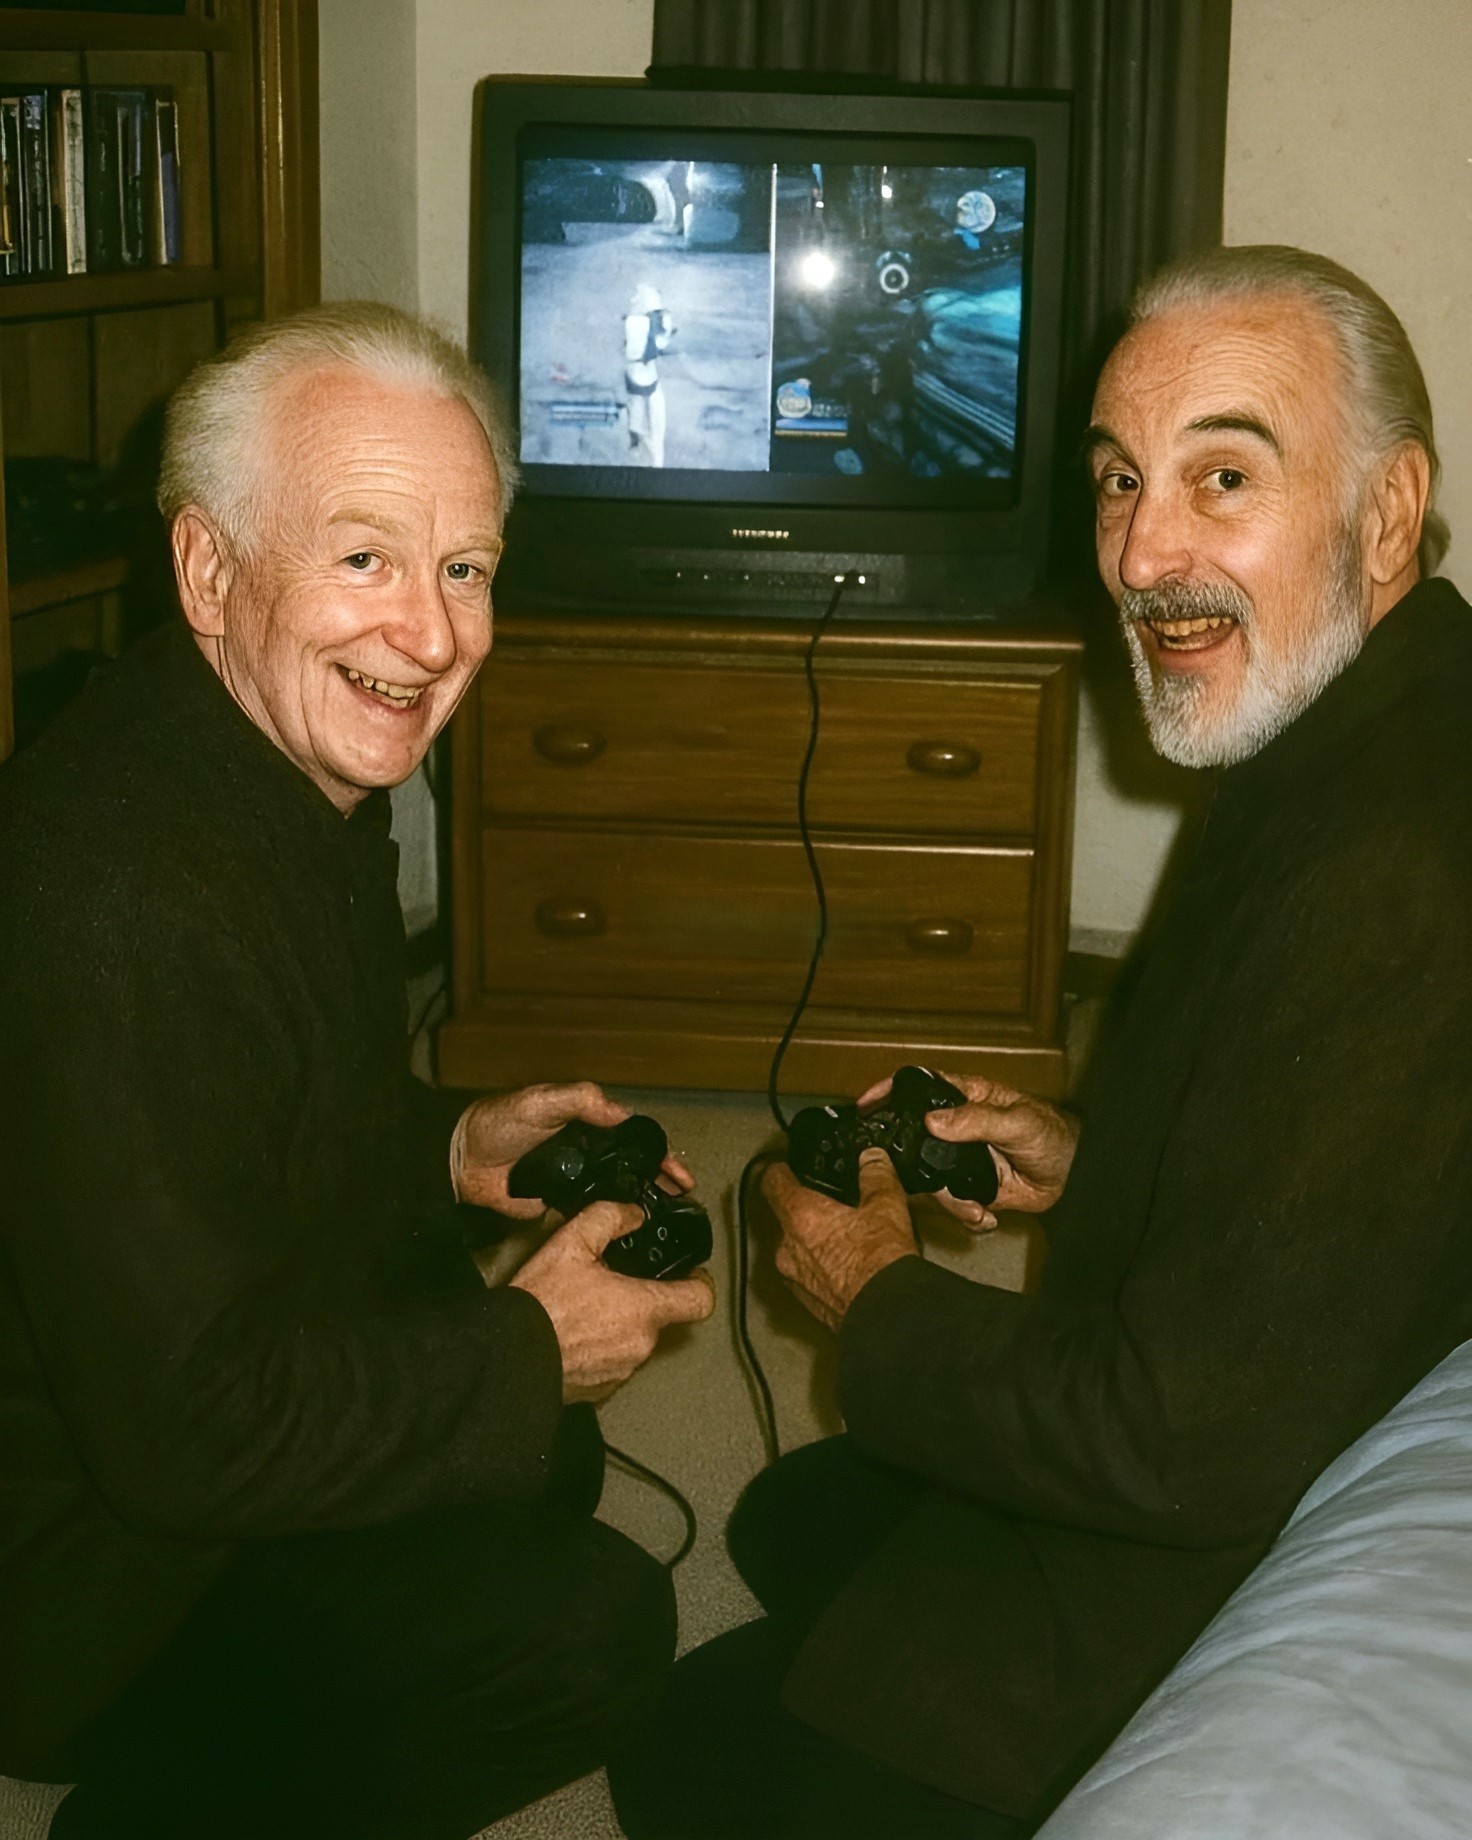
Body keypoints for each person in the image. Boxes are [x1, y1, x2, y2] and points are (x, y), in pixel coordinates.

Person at [608, 245, 1472, 1839]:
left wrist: (875, 1295)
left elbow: (1187, 1444)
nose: (1143, 553)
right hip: (1309, 1365)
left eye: (1223, 477)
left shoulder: (1393, 876)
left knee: (690, 1746)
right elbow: (1341, 1158)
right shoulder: (1367, 720)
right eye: (1119, 480)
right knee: (801, 1518)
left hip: (1223, 1528)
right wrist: (1094, 1159)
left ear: (1390, 510)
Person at [0, 302, 715, 1840]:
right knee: (587, 1627)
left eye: (465, 569)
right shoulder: (119, 903)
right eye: (366, 559)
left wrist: (447, 1146)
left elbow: (243, 1117)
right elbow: (189, 1439)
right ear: (209, 571)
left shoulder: (260, 766)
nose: (435, 639)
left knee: (541, 1456)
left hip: (175, 1389)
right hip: (72, 1568)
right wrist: (528, 1348)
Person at [624, 283, 674, 466]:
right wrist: (665, 326)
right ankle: (649, 454)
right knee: (652, 424)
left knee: (638, 413)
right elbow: (660, 344)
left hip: (636, 375)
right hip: (645, 377)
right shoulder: (645, 321)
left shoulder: (633, 321)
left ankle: (637, 443)